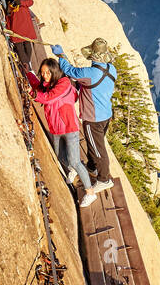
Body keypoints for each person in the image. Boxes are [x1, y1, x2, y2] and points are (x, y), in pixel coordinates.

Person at [25, 58, 104, 208]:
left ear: (55, 71)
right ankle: (74, 169)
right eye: (42, 73)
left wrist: (32, 93)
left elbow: (48, 98)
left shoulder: (63, 83)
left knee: (75, 160)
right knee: (60, 155)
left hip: (69, 127)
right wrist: (29, 74)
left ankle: (90, 192)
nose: (45, 75)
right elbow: (39, 87)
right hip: (56, 128)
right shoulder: (48, 84)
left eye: (48, 72)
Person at [52, 39, 117, 192]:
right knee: (94, 144)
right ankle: (92, 167)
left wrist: (61, 55)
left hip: (93, 118)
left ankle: (104, 179)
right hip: (106, 114)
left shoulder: (89, 73)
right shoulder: (111, 69)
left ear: (92, 56)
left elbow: (70, 71)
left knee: (98, 149)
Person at [0, 0, 36, 69]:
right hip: (13, 19)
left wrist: (20, 2)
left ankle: (27, 65)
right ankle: (26, 66)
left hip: (23, 19)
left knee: (27, 42)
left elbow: (30, 1)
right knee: (18, 43)